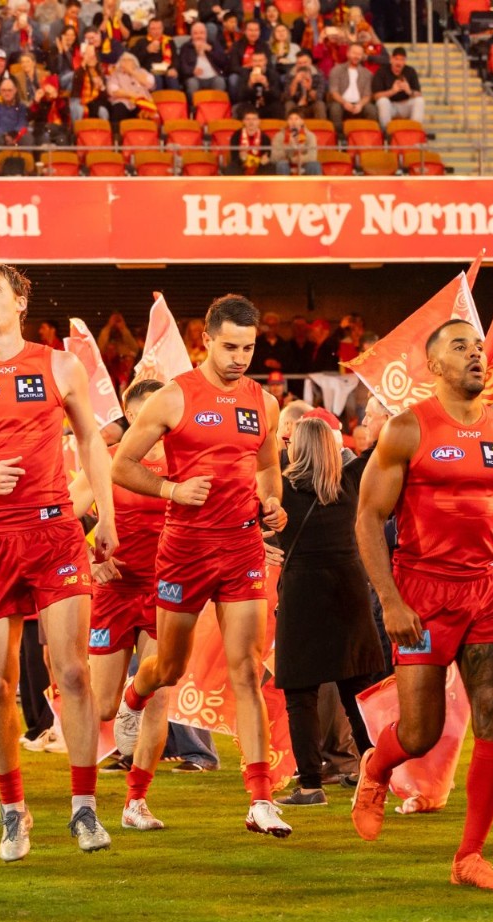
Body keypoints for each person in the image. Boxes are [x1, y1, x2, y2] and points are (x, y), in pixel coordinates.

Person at [0, 260, 117, 862]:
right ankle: (13, 813)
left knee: (75, 673)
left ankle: (84, 810)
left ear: (19, 302)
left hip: (55, 532)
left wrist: (105, 514)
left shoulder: (58, 365)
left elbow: (91, 440)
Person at [352, 319, 493, 889]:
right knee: (420, 734)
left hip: (486, 593)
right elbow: (367, 518)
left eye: (479, 347)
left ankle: (469, 857)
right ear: (433, 365)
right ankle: (377, 767)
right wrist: (390, 600)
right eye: (461, 347)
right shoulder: (407, 430)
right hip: (422, 595)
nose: (476, 355)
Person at [112, 294, 293, 838]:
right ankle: (134, 699)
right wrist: (172, 488)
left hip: (240, 550)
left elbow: (268, 470)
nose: (240, 357)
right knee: (167, 670)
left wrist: (273, 503)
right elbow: (121, 465)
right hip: (184, 550)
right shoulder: (172, 398)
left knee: (247, 670)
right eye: (230, 347)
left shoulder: (263, 402)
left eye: (249, 347)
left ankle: (259, 800)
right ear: (206, 341)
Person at [70, 380, 172, 830]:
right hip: (114, 590)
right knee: (104, 706)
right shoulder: (107, 463)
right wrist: (90, 565)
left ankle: (136, 802)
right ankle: (85, 798)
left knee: (159, 693)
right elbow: (61, 514)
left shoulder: (184, 464)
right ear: (131, 417)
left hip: (167, 590)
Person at [273, 416, 382, 807]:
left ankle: (310, 785)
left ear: (295, 449)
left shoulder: (280, 488)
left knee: (301, 695)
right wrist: (381, 418)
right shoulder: (351, 480)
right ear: (334, 448)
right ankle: (375, 775)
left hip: (301, 594)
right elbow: (381, 448)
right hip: (348, 592)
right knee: (357, 692)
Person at [327, 42, 378, 136]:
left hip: (359, 103)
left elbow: (367, 95)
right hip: (341, 102)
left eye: (359, 54)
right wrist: (344, 103)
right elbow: (334, 92)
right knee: (335, 108)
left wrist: (360, 104)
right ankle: (339, 138)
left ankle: (370, 137)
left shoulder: (367, 74)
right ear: (348, 53)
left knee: (371, 109)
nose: (356, 56)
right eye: (354, 53)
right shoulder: (336, 70)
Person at [178, 20, 229, 104]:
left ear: (206, 34)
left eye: (202, 33)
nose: (199, 36)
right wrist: (192, 71)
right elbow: (182, 66)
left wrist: (210, 50)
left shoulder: (213, 44)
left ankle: (217, 110)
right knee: (191, 84)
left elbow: (224, 62)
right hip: (195, 78)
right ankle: (194, 110)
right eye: (196, 33)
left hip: (213, 77)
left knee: (220, 81)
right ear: (191, 35)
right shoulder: (186, 47)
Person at [373, 46, 423, 128]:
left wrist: (409, 91)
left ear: (405, 61)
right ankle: (386, 131)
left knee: (419, 101)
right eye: (396, 59)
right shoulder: (382, 71)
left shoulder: (410, 71)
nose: (399, 62)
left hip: (405, 105)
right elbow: (376, 96)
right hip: (390, 106)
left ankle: (415, 130)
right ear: (391, 59)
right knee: (382, 101)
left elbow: (419, 94)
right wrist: (392, 91)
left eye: (402, 60)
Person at [272, 108, 322, 175]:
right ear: (287, 121)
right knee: (281, 164)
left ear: (302, 121)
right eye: (290, 119)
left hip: (304, 164)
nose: (293, 122)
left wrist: (296, 159)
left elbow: (313, 156)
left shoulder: (310, 136)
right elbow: (274, 157)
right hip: (286, 164)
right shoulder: (279, 136)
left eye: (296, 119)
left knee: (314, 164)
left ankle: (314, 185)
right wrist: (289, 146)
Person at [225, 108, 275, 175]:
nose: (251, 122)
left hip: (259, 167)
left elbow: (266, 156)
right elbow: (234, 157)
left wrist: (264, 161)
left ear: (259, 121)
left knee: (270, 167)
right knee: (232, 167)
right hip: (241, 165)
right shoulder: (236, 136)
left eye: (254, 119)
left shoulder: (265, 138)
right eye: (248, 119)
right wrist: (240, 158)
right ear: (243, 121)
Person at [282, 50, 327, 121]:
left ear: (310, 62)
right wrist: (295, 81)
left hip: (311, 105)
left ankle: (321, 129)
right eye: (299, 63)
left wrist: (309, 88)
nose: (302, 65)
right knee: (289, 104)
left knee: (320, 105)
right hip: (296, 105)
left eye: (305, 62)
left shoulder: (318, 74)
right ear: (296, 64)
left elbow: (319, 97)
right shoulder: (290, 74)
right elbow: (287, 97)